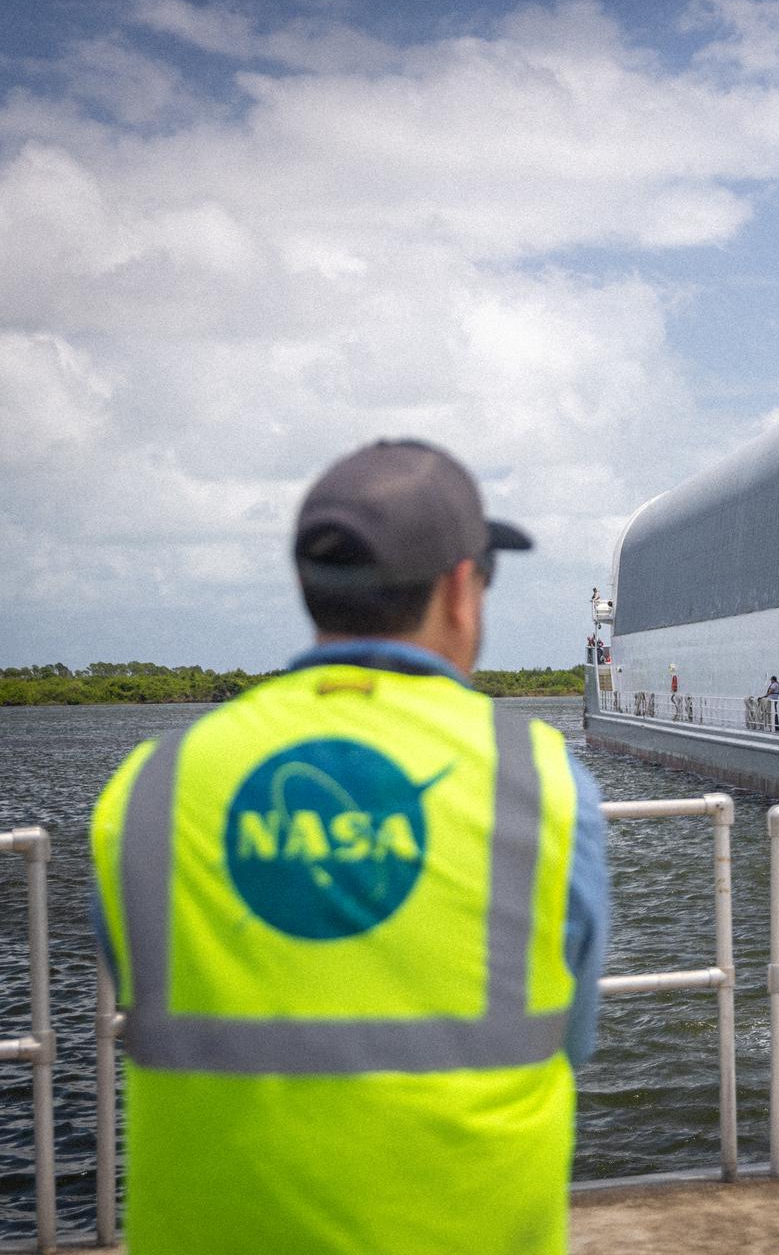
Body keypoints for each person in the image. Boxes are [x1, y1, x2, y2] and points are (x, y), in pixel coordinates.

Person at [89, 439, 607, 1255]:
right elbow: (572, 1034)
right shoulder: (540, 778)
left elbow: (142, 992)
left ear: (308, 591)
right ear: (460, 591)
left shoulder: (153, 783)